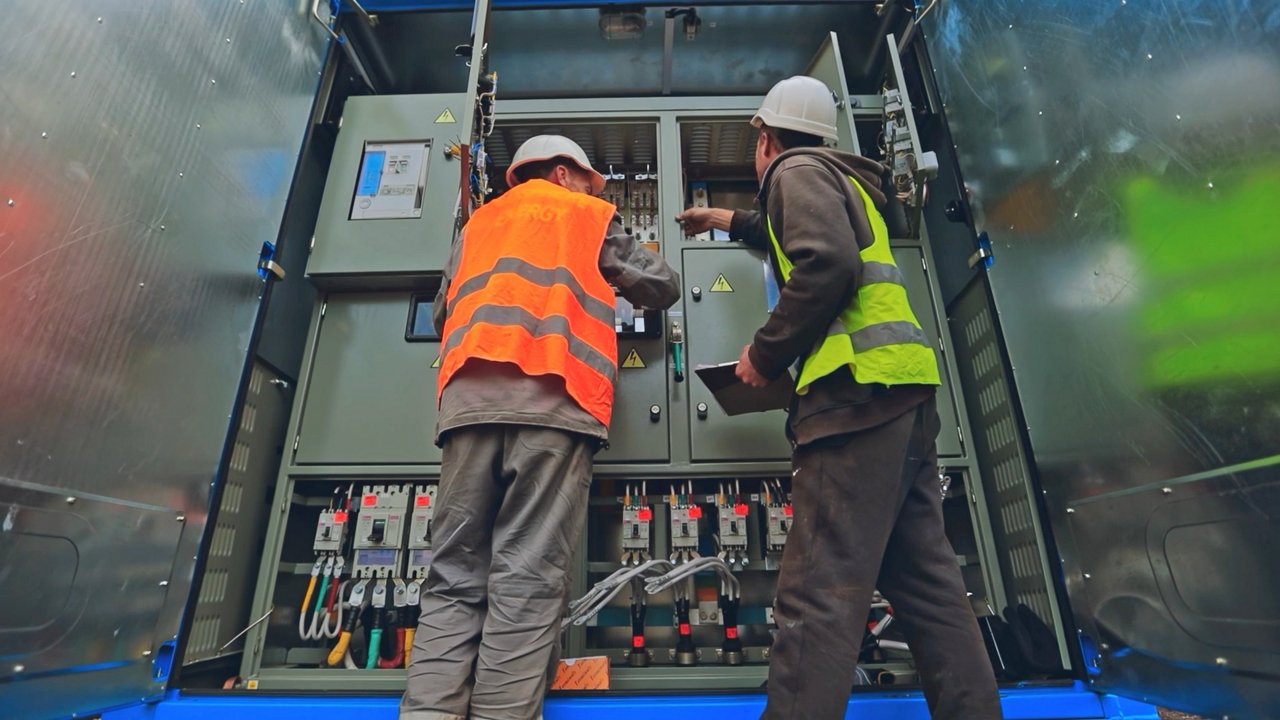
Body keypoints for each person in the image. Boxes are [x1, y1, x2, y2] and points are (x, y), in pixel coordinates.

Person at [676, 77, 1002, 720]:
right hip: (903, 398)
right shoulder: (840, 178)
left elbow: (823, 261)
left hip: (853, 402)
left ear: (766, 140)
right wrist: (721, 219)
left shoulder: (794, 172)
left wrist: (763, 355)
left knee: (816, 592)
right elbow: (791, 232)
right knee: (931, 591)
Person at [401, 135, 680, 720]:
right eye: (586, 179)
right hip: (554, 400)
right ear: (561, 172)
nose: (590, 190)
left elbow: (439, 312)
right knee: (525, 579)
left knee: (452, 578)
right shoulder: (586, 214)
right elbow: (663, 286)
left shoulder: (478, 224)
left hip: (467, 410)